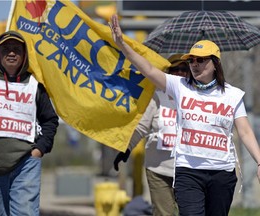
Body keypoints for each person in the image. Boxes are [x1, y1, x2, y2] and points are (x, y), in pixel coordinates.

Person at [109, 14, 260, 216]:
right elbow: (148, 69)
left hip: (222, 173)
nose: (194, 64)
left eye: (201, 60)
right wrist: (122, 44)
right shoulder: (179, 86)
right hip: (188, 171)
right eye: (191, 61)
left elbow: (246, 132)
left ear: (215, 63)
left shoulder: (233, 95)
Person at [0, 31, 59, 216]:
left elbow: (50, 120)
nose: (11, 53)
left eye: (16, 49)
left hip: (26, 164)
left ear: (24, 54)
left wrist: (39, 150)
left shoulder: (35, 84)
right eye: (6, 49)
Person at [114, 54, 189, 216]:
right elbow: (141, 127)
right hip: (159, 170)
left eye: (184, 69)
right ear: (168, 73)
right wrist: (125, 150)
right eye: (176, 69)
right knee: (163, 214)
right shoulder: (156, 97)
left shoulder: (197, 99)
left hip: (189, 170)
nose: (180, 73)